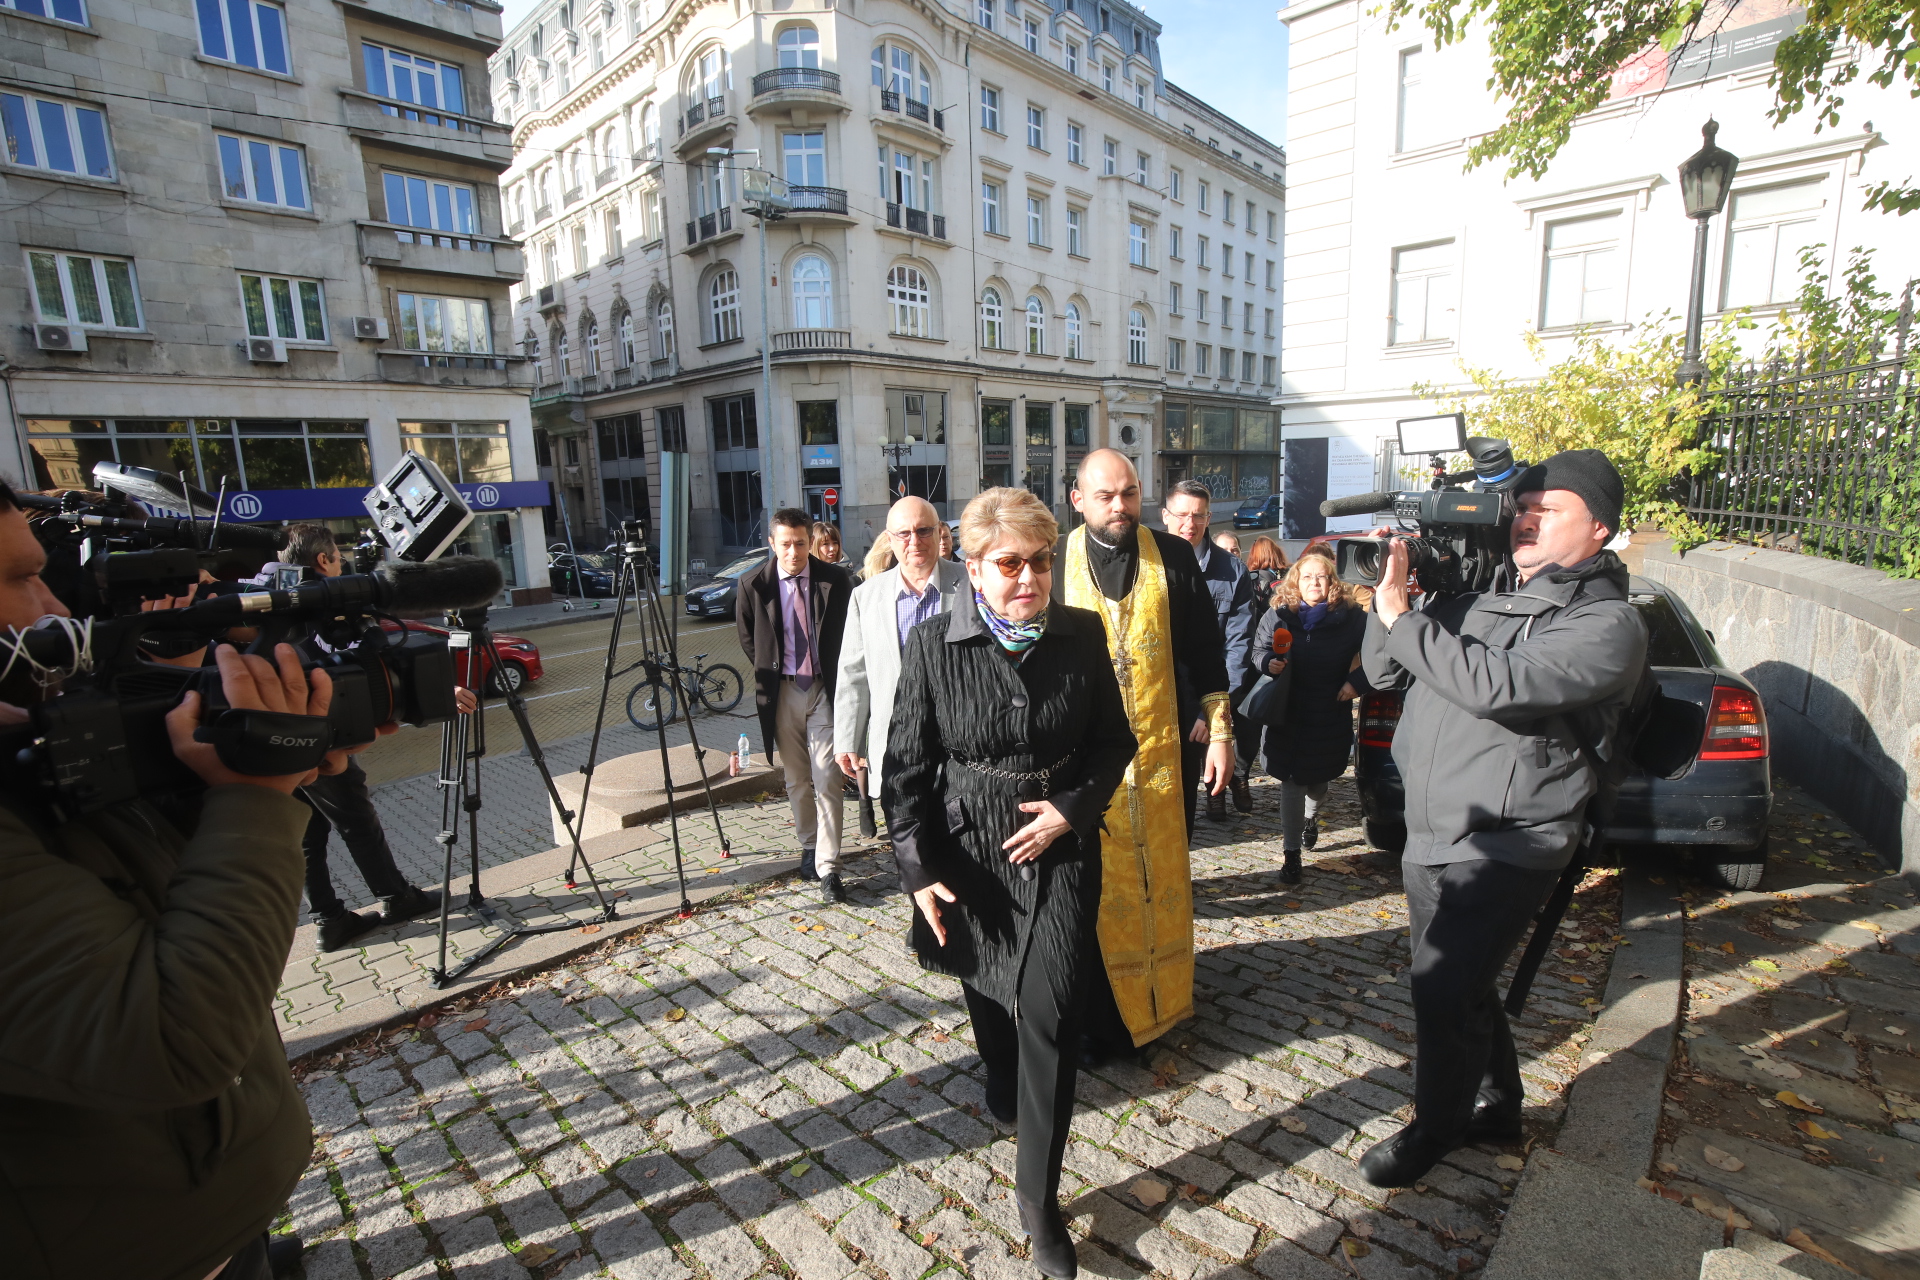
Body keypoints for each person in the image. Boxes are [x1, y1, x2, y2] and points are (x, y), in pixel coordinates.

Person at [0, 480, 346, 1280]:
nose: (51, 598)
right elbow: (170, 1037)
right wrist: (255, 800)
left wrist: (224, 754)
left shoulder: (32, 729)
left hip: (208, 1214)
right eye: (20, 579)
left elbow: (158, 895)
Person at [1355, 449, 1649, 1188]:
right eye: (1524, 504)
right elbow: (1385, 670)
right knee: (1466, 986)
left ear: (1602, 528)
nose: (1528, 514)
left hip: (1512, 838)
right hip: (1431, 831)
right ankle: (1501, 1103)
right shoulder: (1478, 594)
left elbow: (1502, 685)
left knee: (1443, 987)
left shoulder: (1608, 623)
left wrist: (1404, 621)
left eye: (1552, 508)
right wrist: (1396, 598)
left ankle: (1437, 1126)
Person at [884, 488, 1135, 1280]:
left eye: (1040, 561)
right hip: (968, 854)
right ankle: (998, 1074)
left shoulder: (1082, 634)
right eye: (1009, 564)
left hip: (1059, 850)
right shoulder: (933, 644)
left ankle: (1039, 1198)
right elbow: (906, 771)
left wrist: (1071, 807)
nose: (1028, 578)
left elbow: (1113, 743)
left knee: (1052, 1011)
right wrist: (918, 871)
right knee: (989, 991)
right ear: (973, 566)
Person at [1058, 449, 1233, 1057]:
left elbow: (1206, 653)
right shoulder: (1055, 561)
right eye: (1105, 496)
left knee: (1164, 878)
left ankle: (1166, 1001)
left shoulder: (1176, 556)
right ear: (1077, 499)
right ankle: (1101, 1021)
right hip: (1083, 768)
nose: (1119, 507)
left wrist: (1222, 734)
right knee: (1094, 890)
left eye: (1129, 494)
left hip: (1164, 762)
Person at [275, 523, 455, 952]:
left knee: (307, 834)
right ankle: (396, 898)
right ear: (323, 560)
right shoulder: (324, 604)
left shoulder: (277, 595)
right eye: (338, 555)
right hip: (324, 733)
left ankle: (328, 920)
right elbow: (348, 660)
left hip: (286, 737)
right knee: (356, 818)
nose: (342, 562)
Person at [738, 507, 854, 903]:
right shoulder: (753, 584)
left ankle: (828, 867)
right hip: (782, 691)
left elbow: (848, 633)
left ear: (811, 542)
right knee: (796, 779)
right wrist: (774, 669)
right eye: (785, 544)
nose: (793, 552)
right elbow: (749, 640)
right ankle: (808, 845)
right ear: (772, 544)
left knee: (827, 775)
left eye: (800, 544)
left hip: (824, 688)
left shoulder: (836, 579)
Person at [833, 497, 968, 805]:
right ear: (890, 539)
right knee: (906, 845)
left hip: (961, 746)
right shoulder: (865, 597)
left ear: (938, 533)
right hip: (896, 747)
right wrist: (846, 740)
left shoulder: (972, 585)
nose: (914, 541)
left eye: (923, 530)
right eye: (904, 534)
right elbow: (853, 673)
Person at [1250, 552, 1369, 883]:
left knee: (1317, 783)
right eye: (1307, 577)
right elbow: (1258, 651)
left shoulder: (1354, 619)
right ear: (1295, 581)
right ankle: (1291, 854)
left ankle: (1310, 818)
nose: (1314, 582)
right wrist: (1267, 664)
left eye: (1322, 577)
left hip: (1329, 709)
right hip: (1286, 709)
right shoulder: (1278, 616)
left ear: (1332, 582)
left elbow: (1382, 656)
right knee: (1291, 780)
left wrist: (1356, 683)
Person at [1160, 481, 1255, 822]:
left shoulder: (1232, 572)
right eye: (1182, 515)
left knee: (1188, 798)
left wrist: (1211, 713)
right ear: (1165, 516)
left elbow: (1238, 647)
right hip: (1155, 704)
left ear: (1209, 517)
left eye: (1198, 516)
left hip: (1203, 702)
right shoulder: (1147, 563)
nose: (1190, 524)